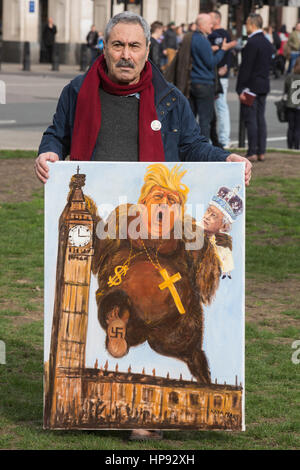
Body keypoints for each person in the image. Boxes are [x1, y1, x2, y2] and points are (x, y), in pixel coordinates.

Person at [35, 10, 251, 440]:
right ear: (105, 47)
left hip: (153, 236)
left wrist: (225, 160)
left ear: (147, 50)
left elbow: (192, 146)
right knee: (118, 296)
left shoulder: (170, 98)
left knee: (165, 310)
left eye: (135, 46)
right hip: (114, 231)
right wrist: (47, 154)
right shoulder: (78, 91)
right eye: (117, 45)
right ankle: (103, 399)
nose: (126, 54)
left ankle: (146, 415)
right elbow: (56, 134)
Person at [189, 13, 236, 141]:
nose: (212, 25)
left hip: (193, 81)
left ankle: (193, 145)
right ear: (201, 25)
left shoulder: (193, 38)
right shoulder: (202, 40)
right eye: (209, 23)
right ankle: (203, 147)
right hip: (204, 82)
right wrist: (223, 50)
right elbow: (211, 62)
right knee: (206, 119)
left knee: (192, 117)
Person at [236, 13, 274, 162]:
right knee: (260, 119)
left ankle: (252, 150)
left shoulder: (252, 43)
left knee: (251, 119)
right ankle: (261, 150)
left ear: (252, 24)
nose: (246, 27)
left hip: (251, 86)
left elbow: (246, 68)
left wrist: (240, 88)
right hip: (263, 84)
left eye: (246, 24)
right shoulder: (266, 42)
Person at [202, 185, 243, 279]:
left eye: (213, 215)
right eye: (208, 211)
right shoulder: (191, 230)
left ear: (224, 225)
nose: (207, 216)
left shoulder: (221, 247)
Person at [208, 10, 234, 148]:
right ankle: (212, 138)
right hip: (210, 75)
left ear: (217, 20)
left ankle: (224, 138)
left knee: (221, 106)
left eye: (210, 17)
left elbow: (229, 52)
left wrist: (226, 67)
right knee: (209, 109)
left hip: (220, 76)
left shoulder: (224, 34)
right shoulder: (208, 34)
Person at [284, 56, 300, 149]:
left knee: (291, 127)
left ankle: (290, 146)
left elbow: (286, 89)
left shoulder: (290, 76)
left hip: (290, 105)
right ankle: (297, 147)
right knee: (298, 128)